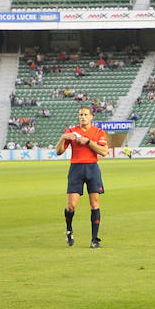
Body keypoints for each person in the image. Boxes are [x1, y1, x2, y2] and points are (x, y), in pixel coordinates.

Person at [55, 106, 108, 248]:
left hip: (92, 168)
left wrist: (88, 142)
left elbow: (104, 151)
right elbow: (58, 152)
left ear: (91, 117)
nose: (83, 117)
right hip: (76, 169)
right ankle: (69, 229)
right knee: (71, 206)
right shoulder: (71, 132)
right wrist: (62, 138)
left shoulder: (98, 132)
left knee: (94, 204)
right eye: (80, 114)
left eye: (85, 114)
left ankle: (94, 240)